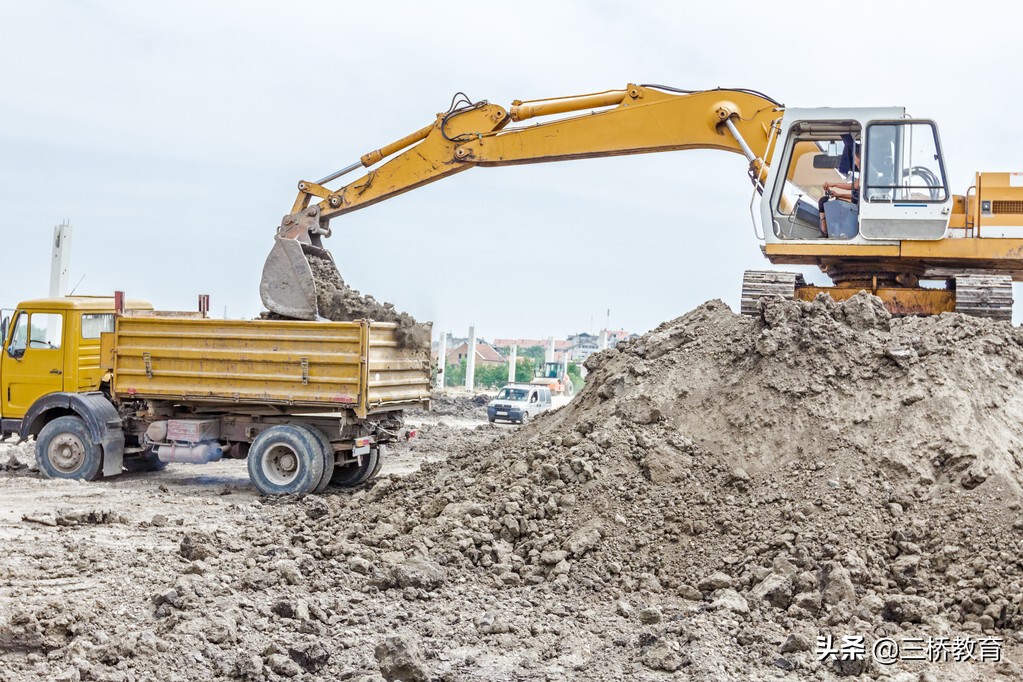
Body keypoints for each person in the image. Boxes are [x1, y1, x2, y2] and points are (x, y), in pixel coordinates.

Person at [818, 140, 860, 236]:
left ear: (859, 158)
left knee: (823, 201)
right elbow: (855, 194)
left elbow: (854, 187)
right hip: (856, 208)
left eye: (855, 159)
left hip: (856, 210)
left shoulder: (867, 173)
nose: (854, 162)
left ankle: (824, 230)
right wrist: (837, 193)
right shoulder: (867, 173)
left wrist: (834, 185)